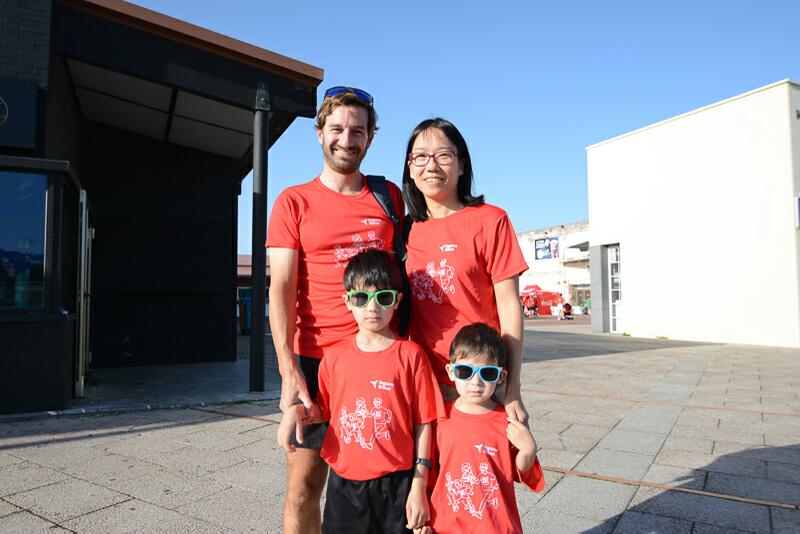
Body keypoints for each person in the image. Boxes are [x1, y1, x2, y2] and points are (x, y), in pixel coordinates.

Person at [267, 86, 404, 533]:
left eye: (359, 131)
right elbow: (282, 289)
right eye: (338, 128)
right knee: (304, 487)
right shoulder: (294, 201)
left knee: (378, 486)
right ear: (319, 132)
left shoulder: (389, 198)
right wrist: (289, 372)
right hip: (317, 364)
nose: (348, 139)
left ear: (371, 137)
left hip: (379, 358)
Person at [277, 250, 440, 533]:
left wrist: (419, 481)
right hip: (344, 487)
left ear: (397, 301)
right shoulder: (334, 357)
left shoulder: (411, 356)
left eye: (383, 297)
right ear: (348, 301)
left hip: (396, 485)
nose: (372, 307)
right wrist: (297, 412)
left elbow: (424, 422)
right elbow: (324, 411)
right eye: (361, 298)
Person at [402, 118, 529, 422]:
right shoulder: (405, 229)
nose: (431, 166)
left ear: (461, 165)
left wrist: (512, 388)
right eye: (420, 156)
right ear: (410, 168)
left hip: (479, 383)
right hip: (424, 383)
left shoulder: (490, 221)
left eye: (444, 156)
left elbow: (510, 306)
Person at [425, 323, 544, 533]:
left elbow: (522, 473)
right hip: (446, 526)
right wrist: (425, 519)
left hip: (494, 526)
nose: (476, 381)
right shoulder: (440, 418)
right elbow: (429, 474)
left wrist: (528, 450)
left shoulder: (505, 421)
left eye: (487, 373)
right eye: (465, 371)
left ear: (500, 377)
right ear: (451, 372)